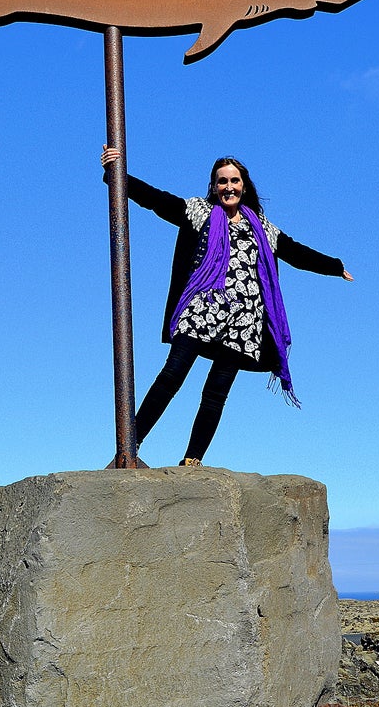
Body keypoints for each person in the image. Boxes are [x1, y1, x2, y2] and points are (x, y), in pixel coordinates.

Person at [101, 145, 354, 466]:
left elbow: (296, 253)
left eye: (234, 181)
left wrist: (334, 266)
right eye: (222, 181)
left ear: (244, 186)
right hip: (200, 310)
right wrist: (117, 175)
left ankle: (192, 460)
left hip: (242, 321)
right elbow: (157, 201)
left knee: (216, 392)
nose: (229, 187)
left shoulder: (262, 228)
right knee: (172, 375)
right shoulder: (199, 213)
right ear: (214, 186)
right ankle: (129, 445)